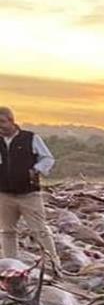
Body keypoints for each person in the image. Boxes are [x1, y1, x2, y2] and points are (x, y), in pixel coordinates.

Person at [0, 107, 61, 272]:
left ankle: (53, 267)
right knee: (7, 232)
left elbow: (47, 158)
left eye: (2, 122)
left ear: (12, 121)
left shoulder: (30, 138)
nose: (0, 127)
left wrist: (35, 170)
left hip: (29, 195)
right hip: (4, 194)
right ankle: (11, 269)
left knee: (40, 231)